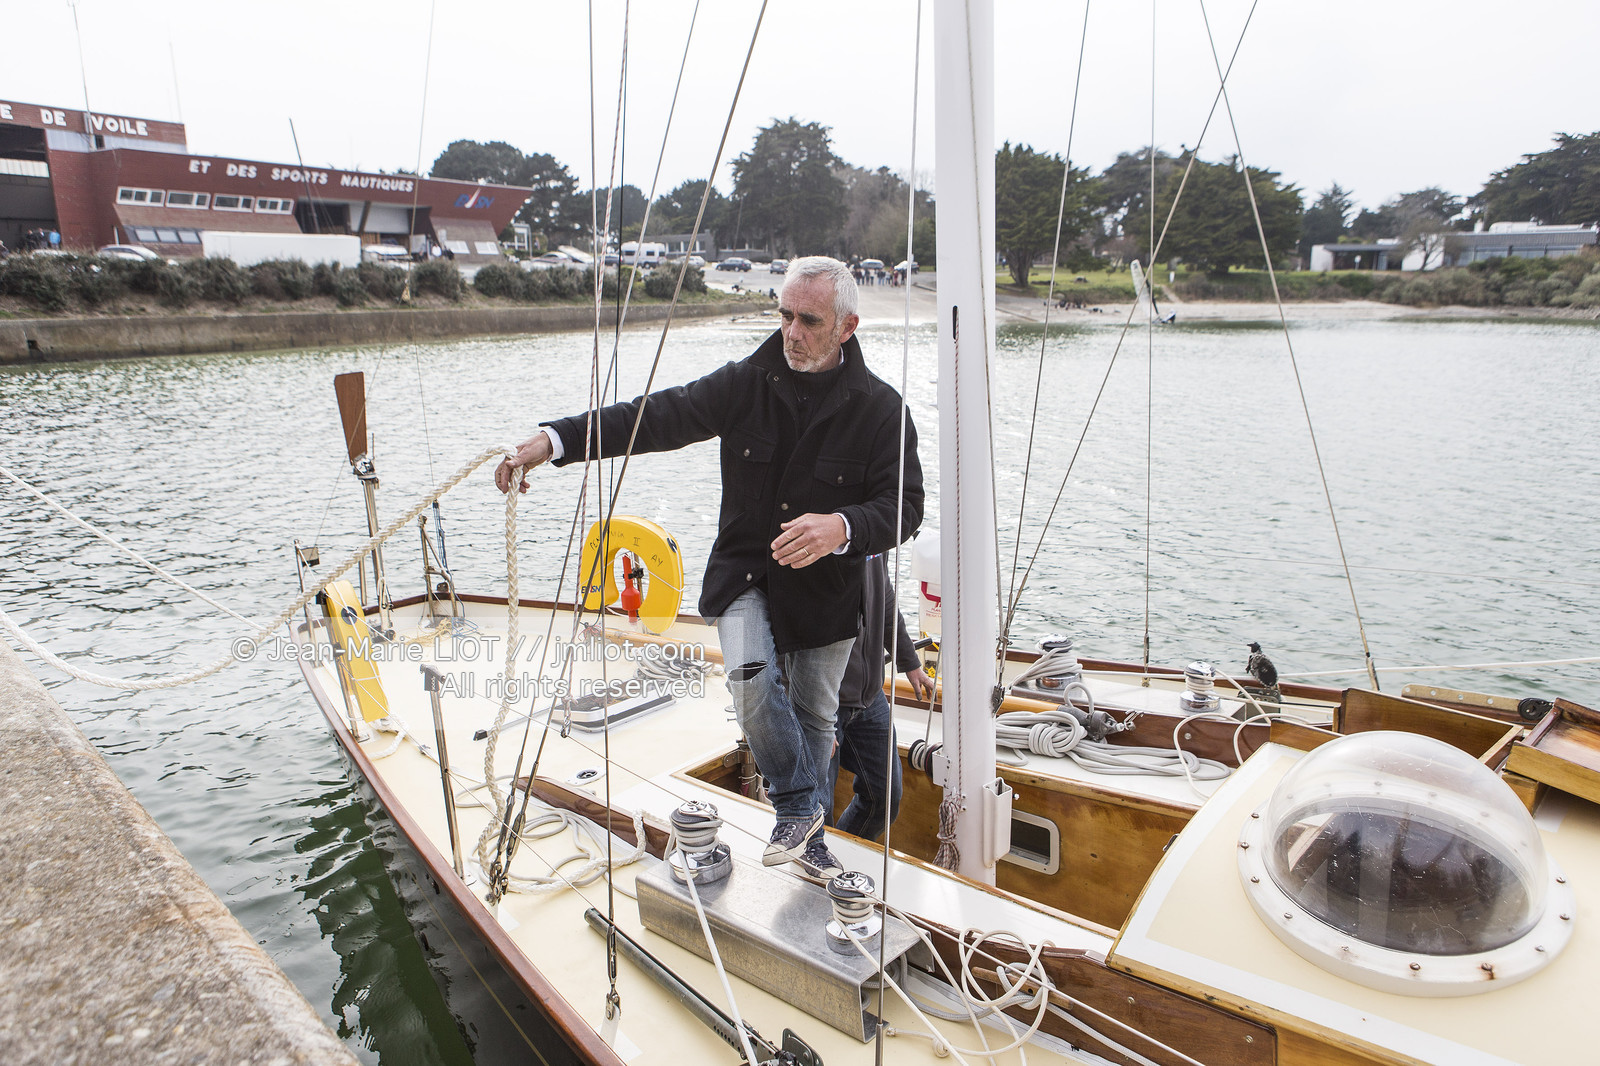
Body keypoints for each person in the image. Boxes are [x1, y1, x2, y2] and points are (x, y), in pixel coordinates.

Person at [495, 255, 923, 878]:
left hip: (830, 599)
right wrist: (553, 442)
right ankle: (801, 806)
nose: (792, 332)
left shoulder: (883, 410)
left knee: (811, 724)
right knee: (750, 677)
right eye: (785, 316)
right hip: (746, 577)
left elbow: (904, 508)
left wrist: (842, 527)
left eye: (809, 320)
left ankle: (807, 845)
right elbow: (653, 417)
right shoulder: (745, 382)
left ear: (847, 327)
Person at [827, 552, 931, 840]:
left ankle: (841, 858)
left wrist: (909, 662)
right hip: (821, 702)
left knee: (884, 799)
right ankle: (816, 869)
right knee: (816, 809)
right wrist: (814, 711)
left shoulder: (874, 535)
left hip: (870, 697)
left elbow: (884, 597)